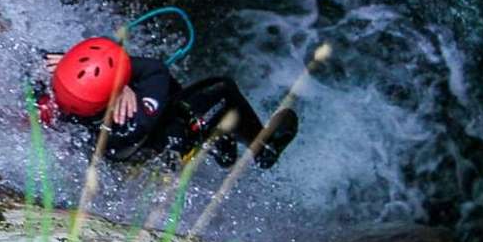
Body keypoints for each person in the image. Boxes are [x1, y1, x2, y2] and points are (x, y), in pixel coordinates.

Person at [31, 36, 297, 169]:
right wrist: (121, 80)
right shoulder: (135, 117)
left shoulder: (51, 92)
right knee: (222, 89)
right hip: (165, 141)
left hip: (122, 148)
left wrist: (72, 62)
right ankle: (263, 150)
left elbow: (34, 59)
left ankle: (220, 141)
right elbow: (156, 70)